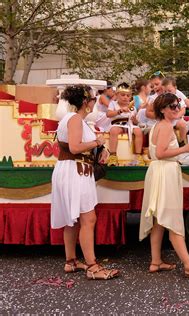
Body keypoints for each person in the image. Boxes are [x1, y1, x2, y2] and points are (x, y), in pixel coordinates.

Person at [139, 93, 189, 279]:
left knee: (159, 220)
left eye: (177, 105)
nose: (177, 108)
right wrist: (184, 148)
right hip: (165, 172)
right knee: (172, 220)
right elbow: (162, 153)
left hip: (160, 172)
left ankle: (156, 262)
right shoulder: (164, 126)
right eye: (172, 106)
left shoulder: (161, 125)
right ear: (162, 110)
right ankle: (188, 265)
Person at [51, 85, 119, 280]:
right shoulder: (74, 119)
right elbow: (74, 147)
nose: (94, 102)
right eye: (92, 99)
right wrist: (96, 143)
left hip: (72, 170)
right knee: (88, 219)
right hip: (75, 171)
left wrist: (101, 148)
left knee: (72, 220)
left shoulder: (73, 119)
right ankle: (92, 267)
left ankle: (71, 262)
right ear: (84, 102)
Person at [106, 83, 145, 166]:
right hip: (117, 124)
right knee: (114, 130)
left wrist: (135, 121)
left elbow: (135, 121)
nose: (125, 97)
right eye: (123, 95)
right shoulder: (113, 103)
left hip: (130, 125)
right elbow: (108, 114)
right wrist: (119, 111)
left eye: (128, 96)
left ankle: (138, 156)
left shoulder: (132, 107)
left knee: (138, 131)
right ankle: (113, 155)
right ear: (117, 95)